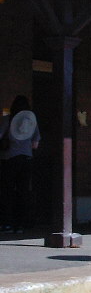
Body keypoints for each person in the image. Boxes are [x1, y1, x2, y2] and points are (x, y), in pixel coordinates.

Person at [0, 95, 41, 233]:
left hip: (9, 159)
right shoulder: (31, 122)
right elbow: (35, 144)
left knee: (7, 191)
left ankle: (7, 223)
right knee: (23, 191)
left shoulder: (8, 119)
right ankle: (21, 224)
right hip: (27, 159)